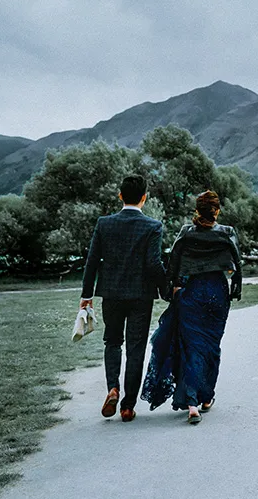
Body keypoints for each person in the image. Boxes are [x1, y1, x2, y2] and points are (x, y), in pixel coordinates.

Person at [142, 190, 242, 424]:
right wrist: (235, 290)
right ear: (217, 211)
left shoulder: (187, 232)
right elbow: (237, 265)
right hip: (217, 292)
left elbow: (173, 263)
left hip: (194, 292)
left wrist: (172, 290)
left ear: (197, 210)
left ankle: (192, 402)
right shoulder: (227, 233)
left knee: (192, 347)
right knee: (212, 347)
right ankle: (206, 397)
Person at [80, 174, 166, 423]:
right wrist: (166, 288)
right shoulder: (152, 226)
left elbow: (92, 262)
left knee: (113, 342)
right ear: (144, 198)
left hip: (112, 294)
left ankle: (112, 388)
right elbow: (153, 264)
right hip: (140, 296)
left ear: (120, 196)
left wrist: (87, 296)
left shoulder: (104, 224)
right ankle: (128, 406)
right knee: (136, 348)